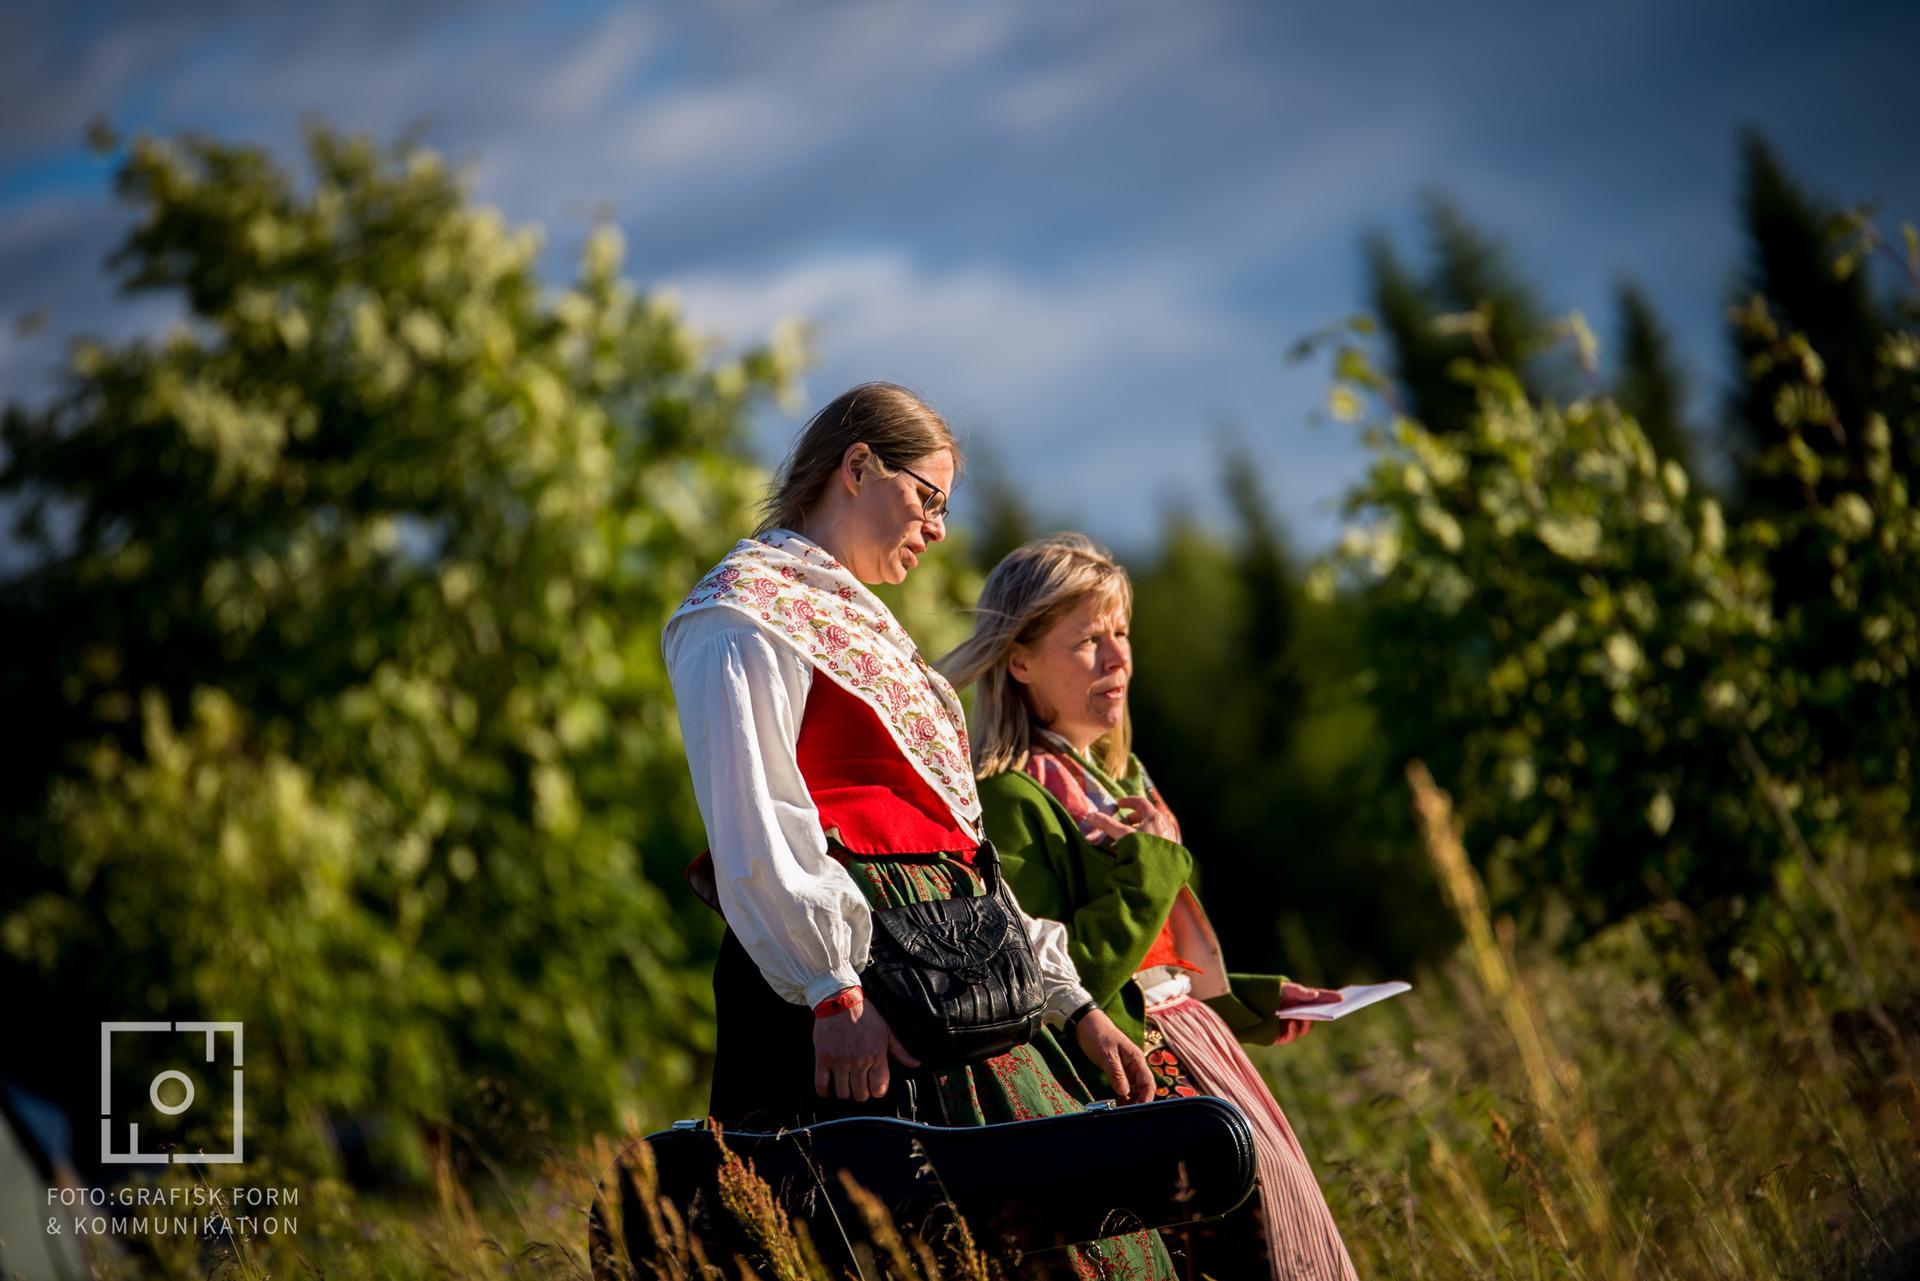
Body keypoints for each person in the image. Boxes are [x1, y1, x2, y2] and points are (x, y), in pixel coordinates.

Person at [662, 386, 1173, 1277]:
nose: (937, 529)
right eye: (928, 497)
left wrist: (1069, 1003)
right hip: (853, 979)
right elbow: (758, 826)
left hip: (954, 964)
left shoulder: (876, 631)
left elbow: (963, 847)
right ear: (857, 467)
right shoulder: (743, 608)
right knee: (893, 1245)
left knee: (1083, 1246)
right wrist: (834, 991)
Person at [942, 532, 1360, 1281]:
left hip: (1200, 1052)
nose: (1117, 659)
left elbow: (1157, 963)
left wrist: (1250, 1002)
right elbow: (1065, 983)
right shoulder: (1012, 797)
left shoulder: (1116, 780)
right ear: (1020, 659)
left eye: (1121, 634)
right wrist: (1156, 861)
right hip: (1141, 1081)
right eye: (1087, 641)